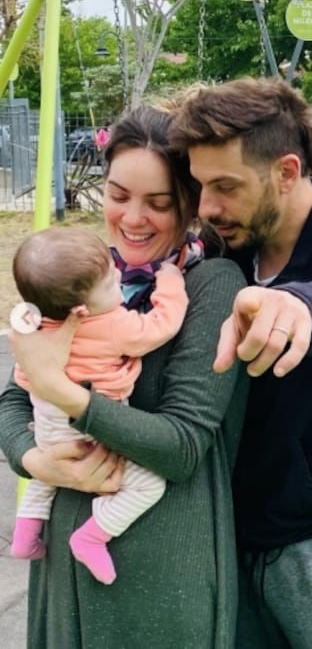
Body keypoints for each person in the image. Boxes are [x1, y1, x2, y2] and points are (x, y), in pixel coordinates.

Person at [168, 76, 312, 649]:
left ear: (288, 172)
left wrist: (298, 303)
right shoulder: (231, 240)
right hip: (231, 530)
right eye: (201, 186)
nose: (207, 208)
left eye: (225, 186)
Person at [0, 105, 249, 648]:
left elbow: (182, 447)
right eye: (117, 196)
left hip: (158, 568)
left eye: (158, 204)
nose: (133, 218)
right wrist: (32, 457)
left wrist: (63, 393)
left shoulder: (208, 287)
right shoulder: (78, 279)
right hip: (65, 554)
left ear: (188, 205)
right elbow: (12, 400)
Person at [10, 227, 188, 586]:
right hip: (93, 426)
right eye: (110, 284)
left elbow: (22, 376)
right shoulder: (111, 325)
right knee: (147, 485)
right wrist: (170, 281)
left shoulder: (39, 329)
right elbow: (162, 325)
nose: (120, 277)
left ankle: (25, 534)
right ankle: (93, 535)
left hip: (45, 421)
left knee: (48, 473)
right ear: (79, 309)